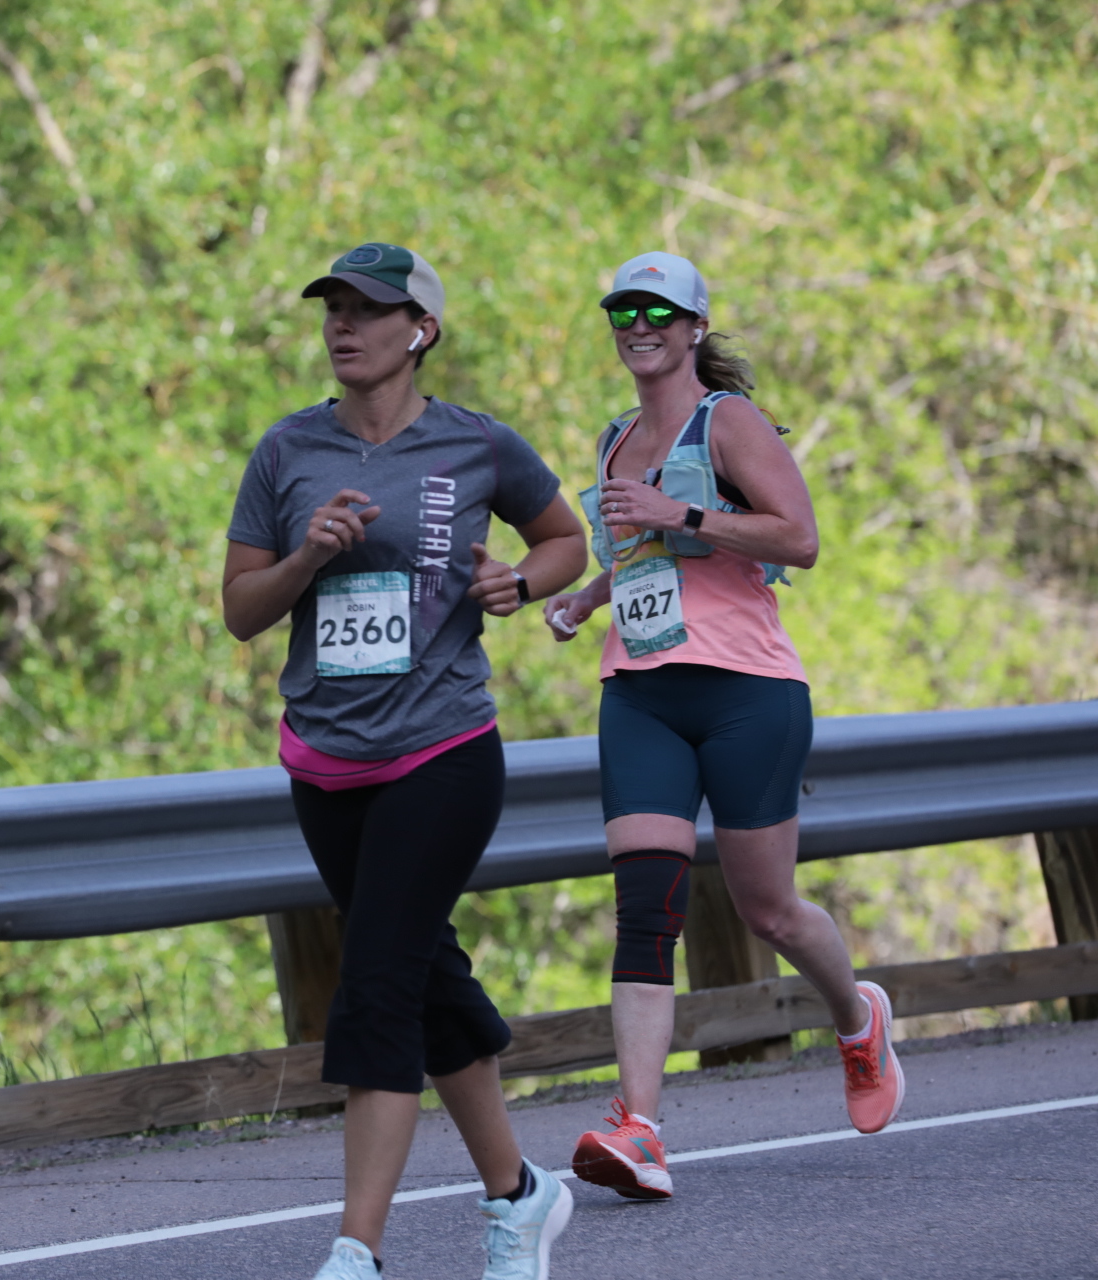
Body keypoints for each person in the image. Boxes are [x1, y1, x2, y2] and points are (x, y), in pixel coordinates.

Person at [224, 242, 587, 1280]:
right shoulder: (287, 450)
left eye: (368, 309)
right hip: (326, 763)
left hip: (443, 750)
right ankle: (520, 1195)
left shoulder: (476, 443)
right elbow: (241, 610)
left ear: (420, 330)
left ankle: (358, 1249)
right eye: (332, 307)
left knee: (378, 982)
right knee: (425, 975)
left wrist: (518, 582)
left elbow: (565, 541)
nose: (343, 324)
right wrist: (308, 555)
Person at [545, 251, 905, 1202]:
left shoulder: (729, 421)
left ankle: (858, 1018)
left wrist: (686, 510)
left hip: (748, 691)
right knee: (645, 905)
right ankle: (639, 1129)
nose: (639, 326)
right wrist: (587, 599)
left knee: (767, 909)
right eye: (624, 310)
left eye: (659, 312)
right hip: (641, 692)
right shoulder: (615, 440)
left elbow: (800, 539)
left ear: (695, 327)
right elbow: (642, 551)